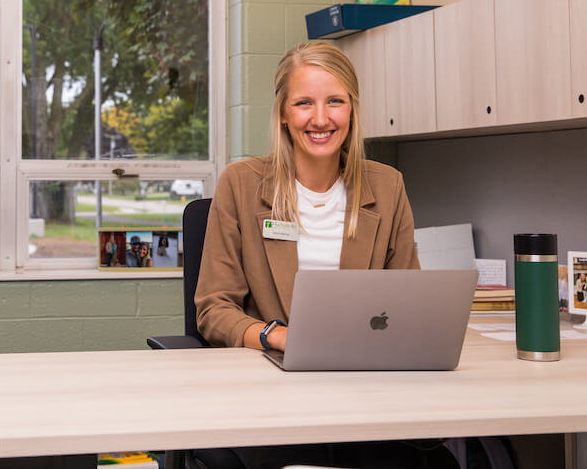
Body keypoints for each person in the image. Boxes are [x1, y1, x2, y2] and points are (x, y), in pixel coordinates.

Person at [194, 42, 458, 469]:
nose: (320, 119)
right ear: (282, 112)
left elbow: (409, 302)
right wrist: (277, 336)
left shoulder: (388, 186)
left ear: (351, 110)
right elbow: (213, 308)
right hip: (268, 394)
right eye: (303, 103)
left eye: (335, 101)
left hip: (365, 393)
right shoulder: (240, 184)